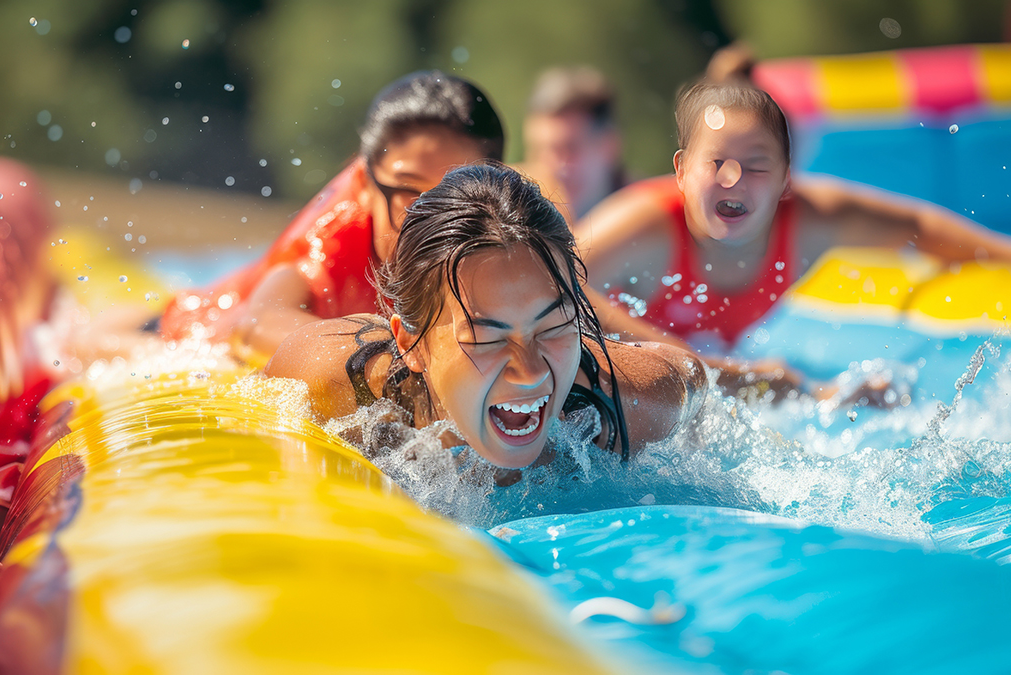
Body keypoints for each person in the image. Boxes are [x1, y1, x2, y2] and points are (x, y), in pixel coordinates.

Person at [265, 162, 706, 472]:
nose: (531, 372)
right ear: (409, 344)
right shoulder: (339, 386)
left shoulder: (618, 410)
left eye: (553, 327)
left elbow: (691, 377)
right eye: (486, 339)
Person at [575, 79, 1011, 351]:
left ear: (786, 180)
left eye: (757, 165)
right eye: (715, 163)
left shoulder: (809, 221)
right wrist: (693, 364)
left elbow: (917, 228)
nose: (733, 178)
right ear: (682, 171)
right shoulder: (645, 225)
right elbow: (556, 279)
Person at [160, 71, 504, 359]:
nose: (432, 222)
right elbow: (257, 323)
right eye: (409, 195)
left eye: (452, 196)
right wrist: (393, 353)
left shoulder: (498, 238)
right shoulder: (335, 243)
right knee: (139, 331)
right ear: (364, 183)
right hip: (205, 322)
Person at [519, 66, 625, 224]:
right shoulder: (511, 208)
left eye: (569, 148)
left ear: (609, 146)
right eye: (539, 149)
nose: (551, 165)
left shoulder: (655, 218)